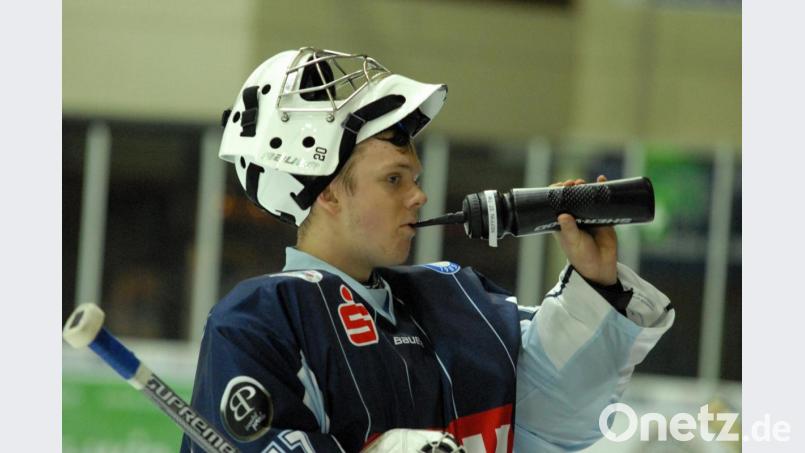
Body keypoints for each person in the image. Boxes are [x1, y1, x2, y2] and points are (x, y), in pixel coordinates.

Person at [180, 47, 674, 453]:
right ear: (325, 191)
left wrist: (595, 284)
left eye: (413, 178)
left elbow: (552, 422)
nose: (419, 195)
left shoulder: (454, 296)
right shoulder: (263, 321)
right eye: (393, 179)